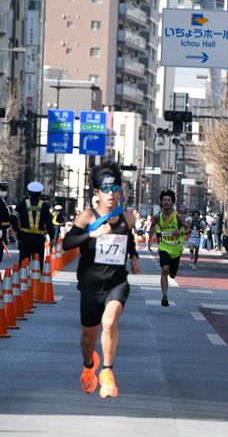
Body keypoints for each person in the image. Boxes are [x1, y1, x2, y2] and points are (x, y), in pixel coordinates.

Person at [61, 161, 140, 398]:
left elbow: (128, 241)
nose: (111, 194)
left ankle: (107, 371)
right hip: (90, 284)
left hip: (116, 282)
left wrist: (134, 257)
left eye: (115, 188)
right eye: (106, 189)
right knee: (88, 337)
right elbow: (66, 244)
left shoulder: (128, 218)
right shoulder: (87, 217)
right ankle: (88, 367)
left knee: (109, 323)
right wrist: (91, 234)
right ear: (97, 191)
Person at [147, 190, 188, 306]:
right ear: (161, 202)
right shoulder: (157, 216)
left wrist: (179, 233)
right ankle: (164, 296)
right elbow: (152, 227)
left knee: (172, 274)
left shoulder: (178, 216)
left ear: (172, 202)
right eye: (164, 200)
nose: (166, 202)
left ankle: (172, 273)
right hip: (164, 247)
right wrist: (149, 241)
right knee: (164, 269)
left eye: (169, 200)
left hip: (176, 249)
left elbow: (188, 229)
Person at [12, 181, 54, 264]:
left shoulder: (22, 204)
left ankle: (22, 276)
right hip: (39, 239)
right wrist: (52, 237)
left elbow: (13, 217)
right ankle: (37, 276)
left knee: (24, 262)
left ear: (29, 192)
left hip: (25, 238)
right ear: (40, 193)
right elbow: (49, 223)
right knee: (38, 263)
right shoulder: (44, 206)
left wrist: (17, 229)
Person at [0, 180, 14, 263]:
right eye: (2, 189)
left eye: (5, 190)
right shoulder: (1, 203)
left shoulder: (3, 201)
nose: (4, 192)